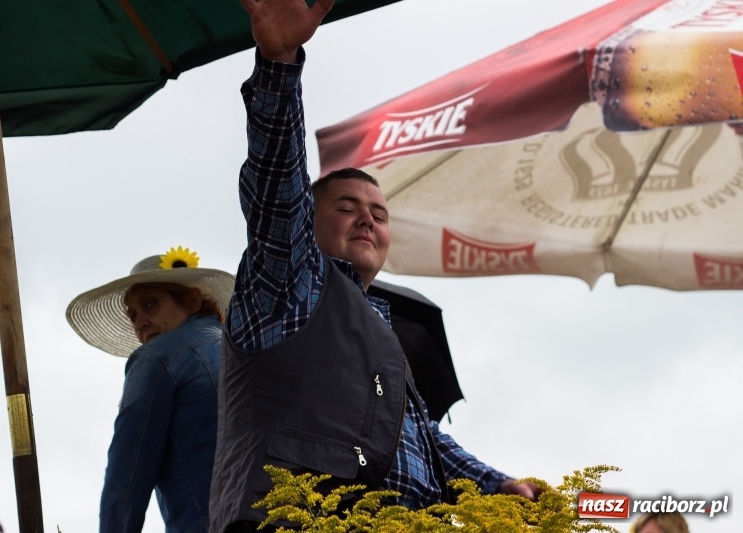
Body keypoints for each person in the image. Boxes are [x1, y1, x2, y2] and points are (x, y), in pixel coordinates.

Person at [209, 1, 541, 531]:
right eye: (346, 208)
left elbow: (422, 436)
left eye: (379, 215)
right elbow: (278, 186)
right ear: (308, 222)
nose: (367, 221)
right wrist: (279, 62)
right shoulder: (290, 285)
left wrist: (495, 485)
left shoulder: (381, 327)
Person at [66, 245, 235, 533]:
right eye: (132, 316)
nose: (140, 322)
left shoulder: (156, 358)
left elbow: (127, 478)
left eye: (150, 304)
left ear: (192, 300)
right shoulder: (246, 349)